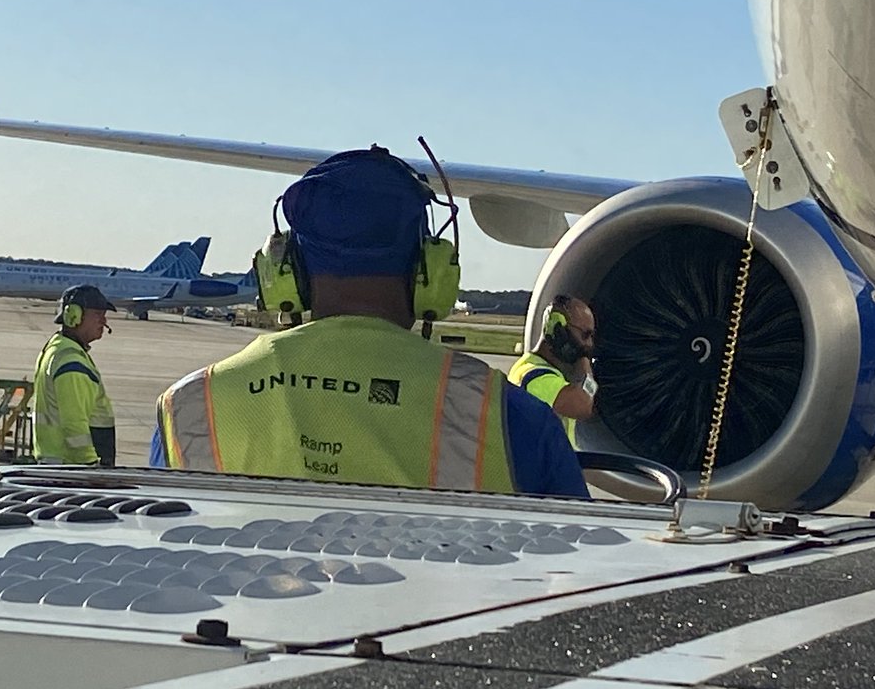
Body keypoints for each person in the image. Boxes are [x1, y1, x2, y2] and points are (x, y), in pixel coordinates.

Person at [152, 146, 587, 498]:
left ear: (285, 274)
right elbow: (579, 566)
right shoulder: (511, 418)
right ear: (430, 273)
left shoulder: (189, 408)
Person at [32, 284, 117, 466]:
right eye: (97, 314)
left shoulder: (58, 347)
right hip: (71, 466)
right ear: (74, 316)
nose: (104, 321)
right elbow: (74, 423)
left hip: (58, 462)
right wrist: (89, 464)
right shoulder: (71, 362)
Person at [508, 295, 598, 446]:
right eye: (585, 335)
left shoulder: (544, 370)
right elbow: (583, 406)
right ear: (558, 330)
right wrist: (585, 367)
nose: (589, 344)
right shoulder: (534, 376)